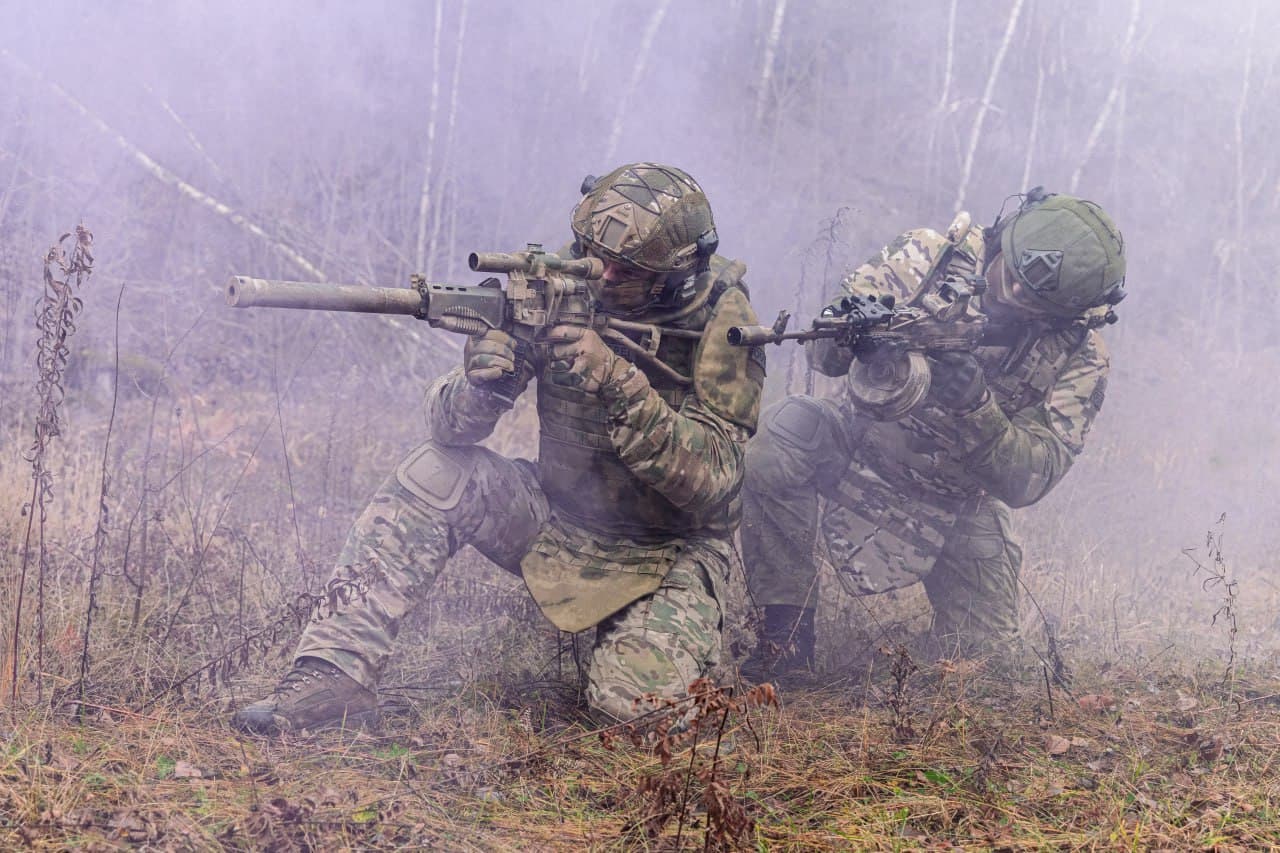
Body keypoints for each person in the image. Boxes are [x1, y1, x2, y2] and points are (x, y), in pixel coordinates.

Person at [234, 163, 764, 733]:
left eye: (627, 271)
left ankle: (672, 647)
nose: (603, 276)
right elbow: (446, 428)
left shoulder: (722, 319)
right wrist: (480, 388)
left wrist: (620, 382)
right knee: (434, 471)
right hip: (559, 516)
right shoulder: (558, 286)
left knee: (634, 716)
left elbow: (716, 482)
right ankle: (331, 674)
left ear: (674, 274)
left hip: (671, 550)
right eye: (593, 254)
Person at [741, 188, 1125, 671]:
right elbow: (822, 354)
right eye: (1011, 276)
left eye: (1034, 301)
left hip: (957, 502)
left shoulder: (1081, 354)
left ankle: (913, 663)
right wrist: (853, 341)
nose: (1013, 295)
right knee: (785, 431)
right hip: (858, 447)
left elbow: (1031, 479)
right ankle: (785, 642)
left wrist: (976, 407)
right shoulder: (923, 257)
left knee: (990, 668)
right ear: (1005, 237)